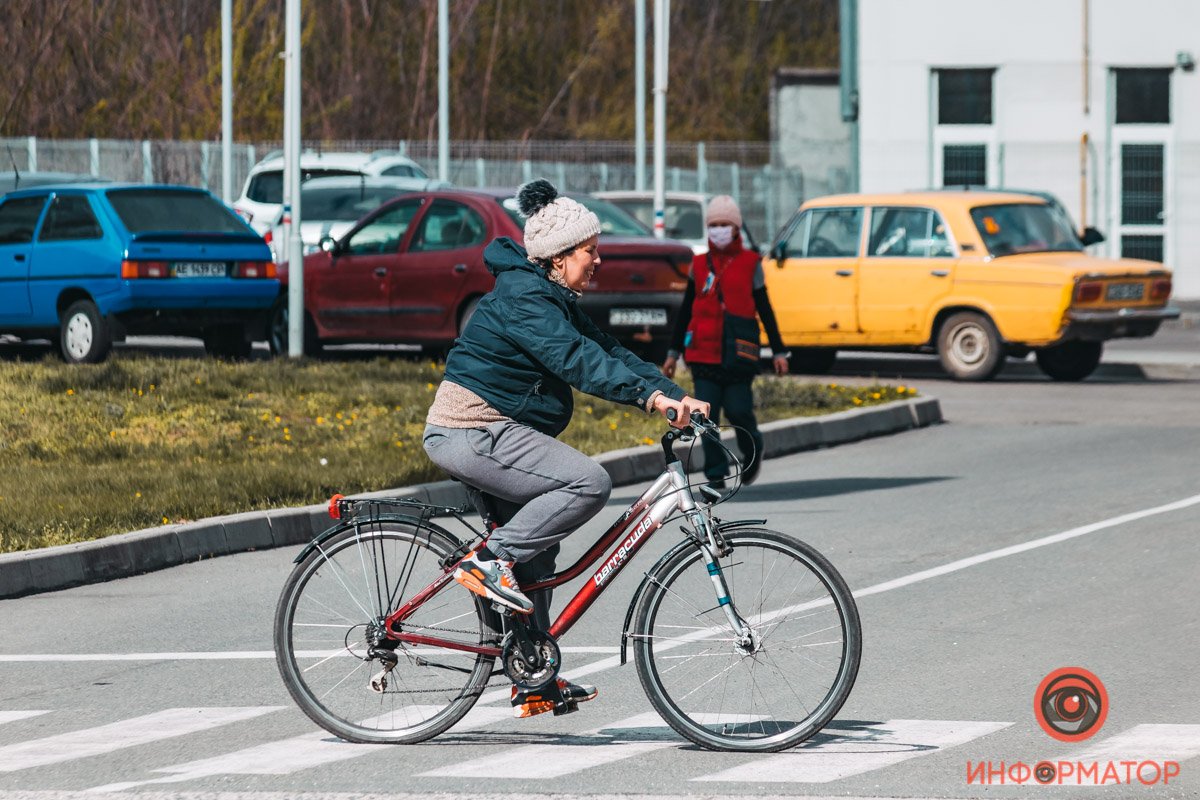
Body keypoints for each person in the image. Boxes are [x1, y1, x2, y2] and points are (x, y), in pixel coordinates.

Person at [423, 179, 708, 718]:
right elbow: (577, 362)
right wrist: (648, 399)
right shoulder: (526, 299)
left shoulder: (549, 294)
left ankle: (533, 674)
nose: (598, 260)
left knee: (542, 550)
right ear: (557, 257)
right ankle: (488, 560)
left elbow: (607, 349)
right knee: (588, 482)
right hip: (472, 430)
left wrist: (675, 395)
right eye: (589, 251)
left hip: (496, 430)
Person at [661, 195, 789, 491]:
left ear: (735, 229)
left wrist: (780, 351)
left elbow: (765, 308)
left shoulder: (750, 263)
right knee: (706, 417)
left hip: (739, 354)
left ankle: (752, 447)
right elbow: (685, 310)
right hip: (703, 354)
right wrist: (673, 352)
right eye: (713, 225)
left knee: (739, 410)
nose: (718, 230)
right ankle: (716, 474)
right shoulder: (698, 264)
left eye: (724, 225)